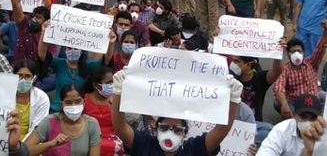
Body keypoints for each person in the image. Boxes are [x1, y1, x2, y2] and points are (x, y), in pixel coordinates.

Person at [111, 67, 242, 156]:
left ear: (185, 133)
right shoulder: (145, 144)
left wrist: (233, 100)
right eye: (164, 127)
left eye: (177, 129)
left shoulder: (193, 148)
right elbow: (120, 127)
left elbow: (220, 131)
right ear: (156, 128)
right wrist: (118, 92)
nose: (170, 132)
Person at [38, 19, 115, 112]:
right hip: (58, 109)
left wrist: (111, 43)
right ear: (65, 49)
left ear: (81, 51)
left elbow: (106, 60)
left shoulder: (88, 65)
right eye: (69, 48)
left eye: (76, 48)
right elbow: (42, 55)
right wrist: (44, 32)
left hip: (80, 110)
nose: (72, 50)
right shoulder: (59, 63)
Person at [273, 22, 327, 119]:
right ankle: (296, 121)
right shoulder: (286, 70)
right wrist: (284, 104)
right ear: (288, 54)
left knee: (325, 96)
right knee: (278, 103)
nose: (296, 54)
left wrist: (326, 30)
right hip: (297, 103)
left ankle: (321, 118)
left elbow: (321, 46)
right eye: (293, 51)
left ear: (303, 52)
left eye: (299, 51)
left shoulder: (311, 63)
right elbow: (278, 87)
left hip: (312, 100)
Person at [25, 84, 102, 156]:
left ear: (84, 102)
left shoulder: (92, 124)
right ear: (61, 104)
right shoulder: (50, 121)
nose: (74, 106)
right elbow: (25, 151)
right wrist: (50, 144)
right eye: (68, 102)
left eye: (78, 101)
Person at [257, 94, 323, 156]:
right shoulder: (282, 130)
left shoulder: (326, 135)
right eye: (303, 116)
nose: (307, 122)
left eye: (313, 118)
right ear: (294, 115)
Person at [83, 66, 125, 156]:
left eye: (113, 82)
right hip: (90, 136)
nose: (112, 85)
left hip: (113, 137)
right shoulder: (85, 99)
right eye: (108, 83)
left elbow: (122, 123)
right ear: (96, 85)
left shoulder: (116, 100)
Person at [14, 59, 50, 141]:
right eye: (20, 75)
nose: (23, 80)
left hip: (31, 140)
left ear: (34, 78)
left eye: (27, 76)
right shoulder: (4, 94)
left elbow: (37, 128)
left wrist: (21, 147)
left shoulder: (42, 98)